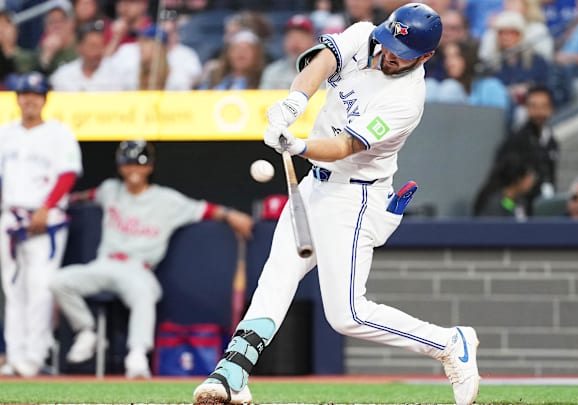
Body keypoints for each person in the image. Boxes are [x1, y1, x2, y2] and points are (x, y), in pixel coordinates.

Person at [192, 4, 481, 405]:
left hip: (355, 195)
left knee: (347, 315)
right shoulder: (366, 35)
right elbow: (324, 60)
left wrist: (300, 146)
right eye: (388, 42)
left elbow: (345, 145)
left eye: (403, 51)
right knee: (276, 277)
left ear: (427, 56)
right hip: (315, 185)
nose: (389, 54)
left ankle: (449, 342)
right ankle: (232, 374)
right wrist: (294, 103)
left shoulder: (406, 101)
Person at [49, 140, 253, 379]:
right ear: (120, 166)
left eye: (139, 163)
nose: (134, 168)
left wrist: (230, 215)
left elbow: (204, 209)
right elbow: (84, 196)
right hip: (104, 264)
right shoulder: (109, 190)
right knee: (58, 281)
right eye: (128, 163)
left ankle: (137, 354)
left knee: (143, 292)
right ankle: (86, 331)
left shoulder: (166, 200)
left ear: (150, 167)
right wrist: (59, 203)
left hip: (137, 268)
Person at [0, 72, 83, 377]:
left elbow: (68, 174)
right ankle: (15, 355)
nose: (29, 100)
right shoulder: (5, 133)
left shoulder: (58, 133)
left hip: (44, 220)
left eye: (35, 95)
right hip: (11, 218)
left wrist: (46, 208)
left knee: (40, 288)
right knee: (12, 290)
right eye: (24, 95)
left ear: (44, 99)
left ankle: (34, 357)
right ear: (17, 99)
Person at [494, 84, 558, 212]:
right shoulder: (515, 141)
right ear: (526, 108)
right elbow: (503, 199)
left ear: (551, 109)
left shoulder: (552, 143)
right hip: (515, 210)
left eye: (543, 106)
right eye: (534, 106)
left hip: (542, 211)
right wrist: (513, 199)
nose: (539, 112)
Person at [50, 20, 120, 91]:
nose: (98, 52)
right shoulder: (63, 75)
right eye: (93, 46)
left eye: (101, 46)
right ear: (79, 48)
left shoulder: (116, 74)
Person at [259, 15, 318, 90]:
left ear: (312, 41)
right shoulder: (272, 72)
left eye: (301, 38)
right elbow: (264, 99)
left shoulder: (325, 72)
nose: (295, 43)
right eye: (291, 37)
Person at [472, 153, 536, 218]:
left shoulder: (516, 202)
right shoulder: (496, 203)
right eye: (529, 175)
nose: (532, 180)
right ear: (518, 179)